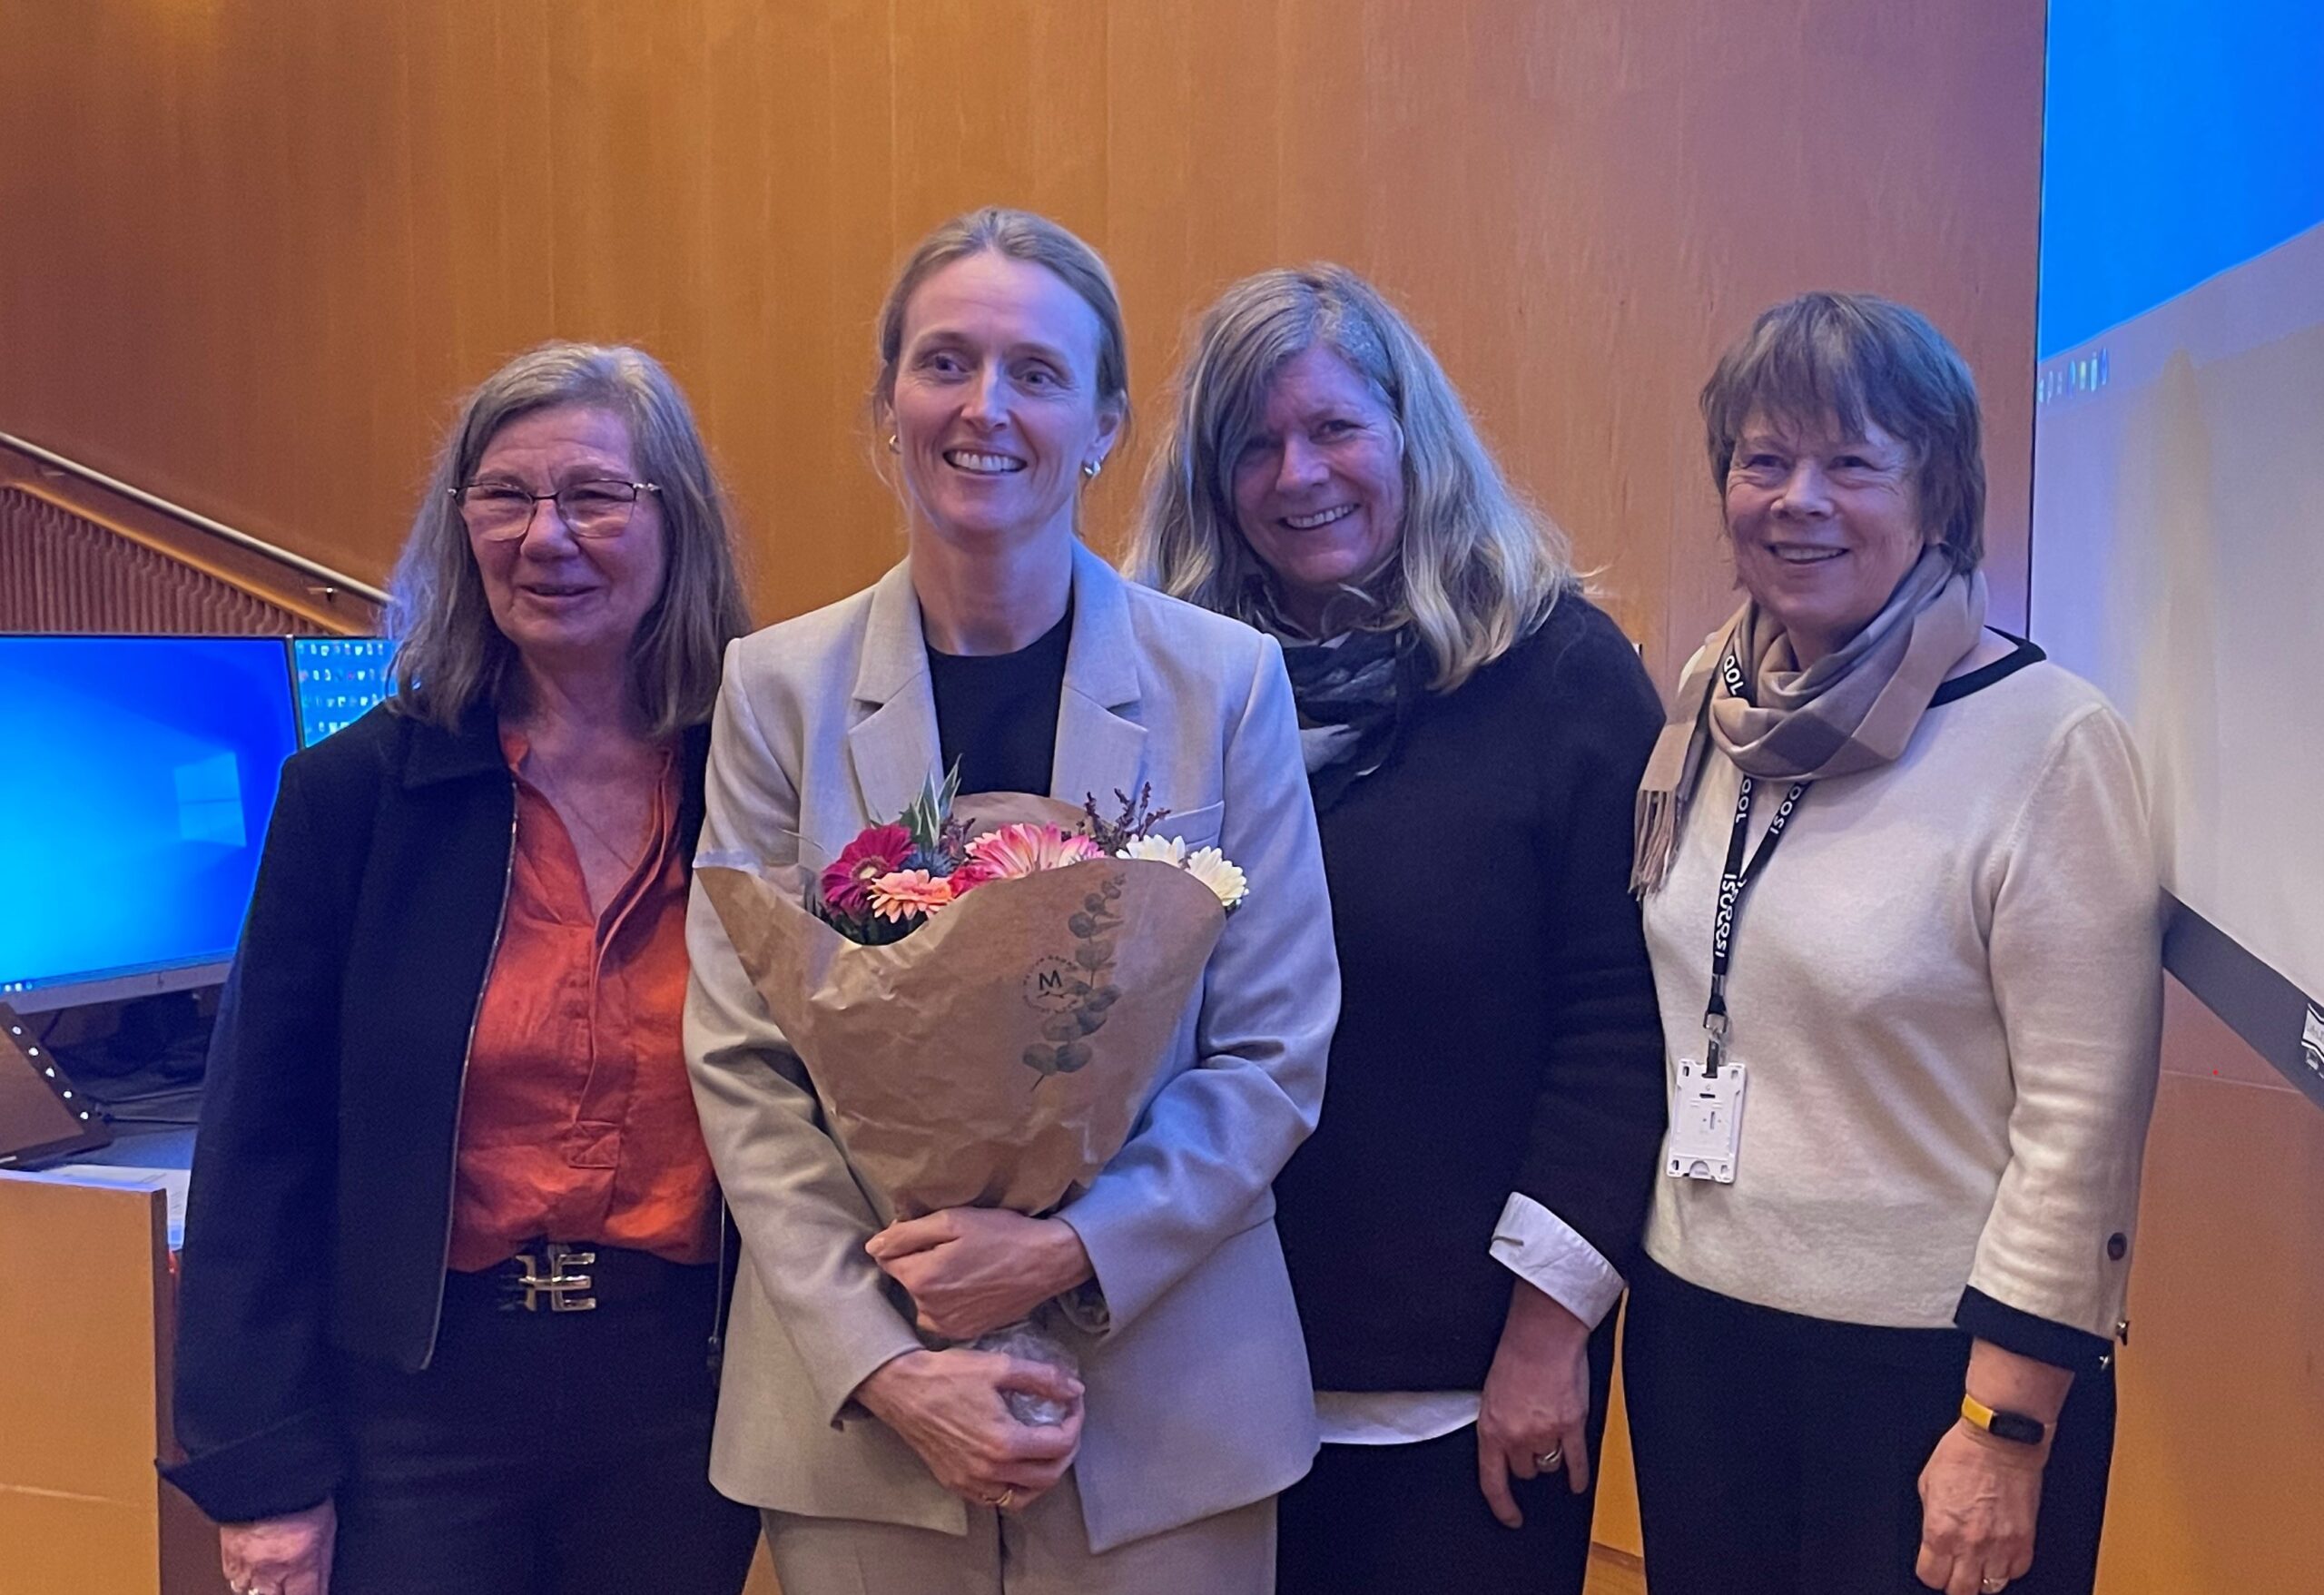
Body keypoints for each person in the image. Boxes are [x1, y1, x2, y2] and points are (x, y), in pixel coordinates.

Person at [682, 207, 1339, 1593]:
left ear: (1104, 424)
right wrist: (886, 1357)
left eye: (1036, 372)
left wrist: (1068, 1249)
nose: (985, 406)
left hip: (1165, 1403)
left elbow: (1273, 1048)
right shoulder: (777, 689)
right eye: (946, 362)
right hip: (865, 1415)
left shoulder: (1225, 685)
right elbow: (743, 1061)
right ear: (889, 402)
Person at [168, 343, 761, 1595]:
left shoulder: (759, 790)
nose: (546, 536)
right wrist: (264, 1474)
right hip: (415, 1414)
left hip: (686, 1397)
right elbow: (256, 1151)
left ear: (679, 525)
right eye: (505, 496)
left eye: (594, 495)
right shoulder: (352, 797)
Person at [1130, 264, 1669, 1593]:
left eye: (1334, 428)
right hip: (1202, 1363)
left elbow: (1619, 1031)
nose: (1298, 474)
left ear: (1410, 435)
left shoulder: (1558, 671)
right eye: (1255, 445)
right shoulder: (1167, 694)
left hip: (1467, 1388)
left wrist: (1547, 1336)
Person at [1621, 291, 2162, 1595]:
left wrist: (2005, 1429)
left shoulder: (2050, 742)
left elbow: (2081, 1126)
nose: (1797, 500)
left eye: (1853, 463)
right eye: (1763, 459)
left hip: (1937, 1377)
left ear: (1939, 494)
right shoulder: (1712, 700)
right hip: (1700, 1340)